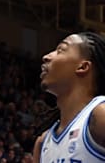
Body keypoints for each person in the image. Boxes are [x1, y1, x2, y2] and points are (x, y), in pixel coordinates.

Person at [33, 31, 105, 162]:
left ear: (83, 67)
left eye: (60, 50)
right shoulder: (42, 142)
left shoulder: (99, 115)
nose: (46, 56)